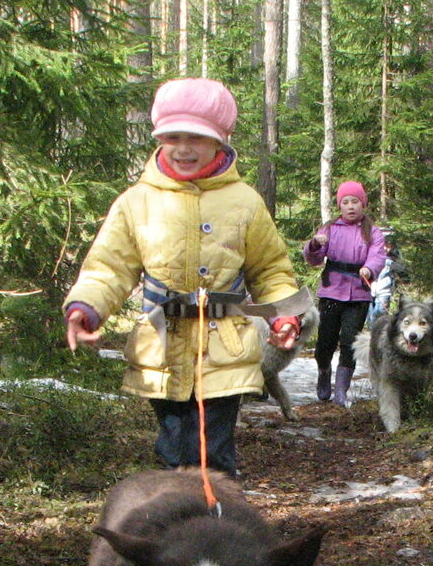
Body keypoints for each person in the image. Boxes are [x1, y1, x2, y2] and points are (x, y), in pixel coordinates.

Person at [64, 78, 306, 479]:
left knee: (215, 454)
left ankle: (221, 531)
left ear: (220, 141)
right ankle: (176, 534)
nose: (183, 148)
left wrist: (284, 317)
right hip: (162, 348)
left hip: (226, 348)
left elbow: (271, 270)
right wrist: (86, 308)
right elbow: (109, 267)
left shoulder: (245, 201)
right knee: (174, 451)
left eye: (197, 137)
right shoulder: (136, 202)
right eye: (172, 136)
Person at [303, 180, 387, 407]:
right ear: (340, 206)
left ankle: (341, 390)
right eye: (346, 202)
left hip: (359, 294)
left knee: (350, 341)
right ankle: (323, 374)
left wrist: (369, 269)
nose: (351, 207)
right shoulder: (330, 229)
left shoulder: (373, 232)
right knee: (325, 342)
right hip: (332, 292)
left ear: (363, 204)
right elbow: (313, 260)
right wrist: (314, 245)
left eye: (355, 202)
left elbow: (378, 256)